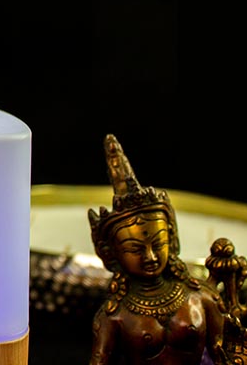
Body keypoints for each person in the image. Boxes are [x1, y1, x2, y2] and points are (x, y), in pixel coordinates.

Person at [87, 134, 228, 365]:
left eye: (158, 244)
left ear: (171, 239)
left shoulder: (201, 298)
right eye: (135, 249)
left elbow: (223, 353)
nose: (150, 257)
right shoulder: (114, 316)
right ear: (110, 253)